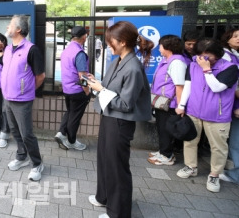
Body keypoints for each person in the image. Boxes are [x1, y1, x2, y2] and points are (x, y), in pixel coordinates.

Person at [86, 21, 153, 218]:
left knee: (117, 167)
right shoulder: (118, 61)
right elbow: (109, 88)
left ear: (123, 42)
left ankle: (118, 212)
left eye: (110, 41)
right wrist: (96, 84)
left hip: (121, 122)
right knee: (104, 160)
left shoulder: (132, 67)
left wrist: (101, 90)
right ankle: (103, 197)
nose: (108, 45)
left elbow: (126, 104)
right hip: (109, 117)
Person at [175, 38, 238, 193]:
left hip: (218, 115)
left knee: (218, 147)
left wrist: (206, 69)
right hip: (194, 111)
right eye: (199, 56)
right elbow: (188, 85)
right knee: (190, 141)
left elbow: (217, 87)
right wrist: (182, 105)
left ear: (217, 55)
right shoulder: (193, 64)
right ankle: (191, 166)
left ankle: (215, 174)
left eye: (207, 56)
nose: (202, 59)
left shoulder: (230, 68)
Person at [1, 15, 45, 181]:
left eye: (10, 24)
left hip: (22, 100)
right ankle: (22, 156)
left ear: (18, 29)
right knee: (14, 131)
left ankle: (37, 163)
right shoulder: (7, 49)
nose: (7, 26)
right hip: (8, 98)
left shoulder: (31, 49)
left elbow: (40, 76)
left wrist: (26, 90)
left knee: (27, 134)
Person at [148, 35, 190, 165]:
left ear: (168, 47)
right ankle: (163, 151)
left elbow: (180, 86)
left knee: (166, 129)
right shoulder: (168, 60)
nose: (159, 48)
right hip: (162, 102)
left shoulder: (176, 63)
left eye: (160, 45)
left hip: (170, 104)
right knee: (162, 128)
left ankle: (167, 156)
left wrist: (180, 105)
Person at [55, 26, 90, 151]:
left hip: (67, 89)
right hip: (78, 90)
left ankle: (61, 133)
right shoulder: (79, 53)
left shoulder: (66, 51)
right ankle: (71, 141)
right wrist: (87, 91)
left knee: (70, 112)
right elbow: (82, 75)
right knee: (75, 117)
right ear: (84, 37)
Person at [218, 29, 239, 184]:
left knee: (235, 143)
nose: (238, 39)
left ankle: (235, 174)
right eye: (236, 36)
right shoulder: (228, 56)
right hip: (233, 104)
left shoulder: (232, 57)